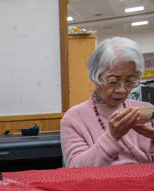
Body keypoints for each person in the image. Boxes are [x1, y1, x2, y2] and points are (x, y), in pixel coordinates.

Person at [61, 37, 154, 167]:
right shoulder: (74, 118)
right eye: (113, 81)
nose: (122, 90)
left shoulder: (146, 111)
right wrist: (111, 136)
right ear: (96, 76)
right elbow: (76, 169)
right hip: (101, 186)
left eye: (130, 81)